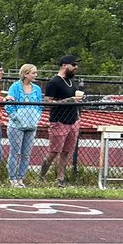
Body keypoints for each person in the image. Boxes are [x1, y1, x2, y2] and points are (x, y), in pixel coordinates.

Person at [40, 55, 83, 186]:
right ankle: (41, 176)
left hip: (73, 120)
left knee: (66, 151)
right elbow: (48, 102)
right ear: (65, 65)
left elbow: (74, 97)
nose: (76, 67)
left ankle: (61, 178)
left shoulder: (71, 81)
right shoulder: (54, 82)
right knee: (54, 151)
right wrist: (69, 100)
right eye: (73, 64)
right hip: (59, 121)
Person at [5, 64, 43, 187]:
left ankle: (21, 178)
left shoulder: (37, 89)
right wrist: (16, 117)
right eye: (33, 73)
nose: (35, 75)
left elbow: (39, 105)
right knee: (15, 152)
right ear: (25, 74)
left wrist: (37, 116)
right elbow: (9, 104)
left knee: (26, 153)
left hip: (31, 124)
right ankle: (12, 178)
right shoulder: (15, 87)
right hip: (17, 125)